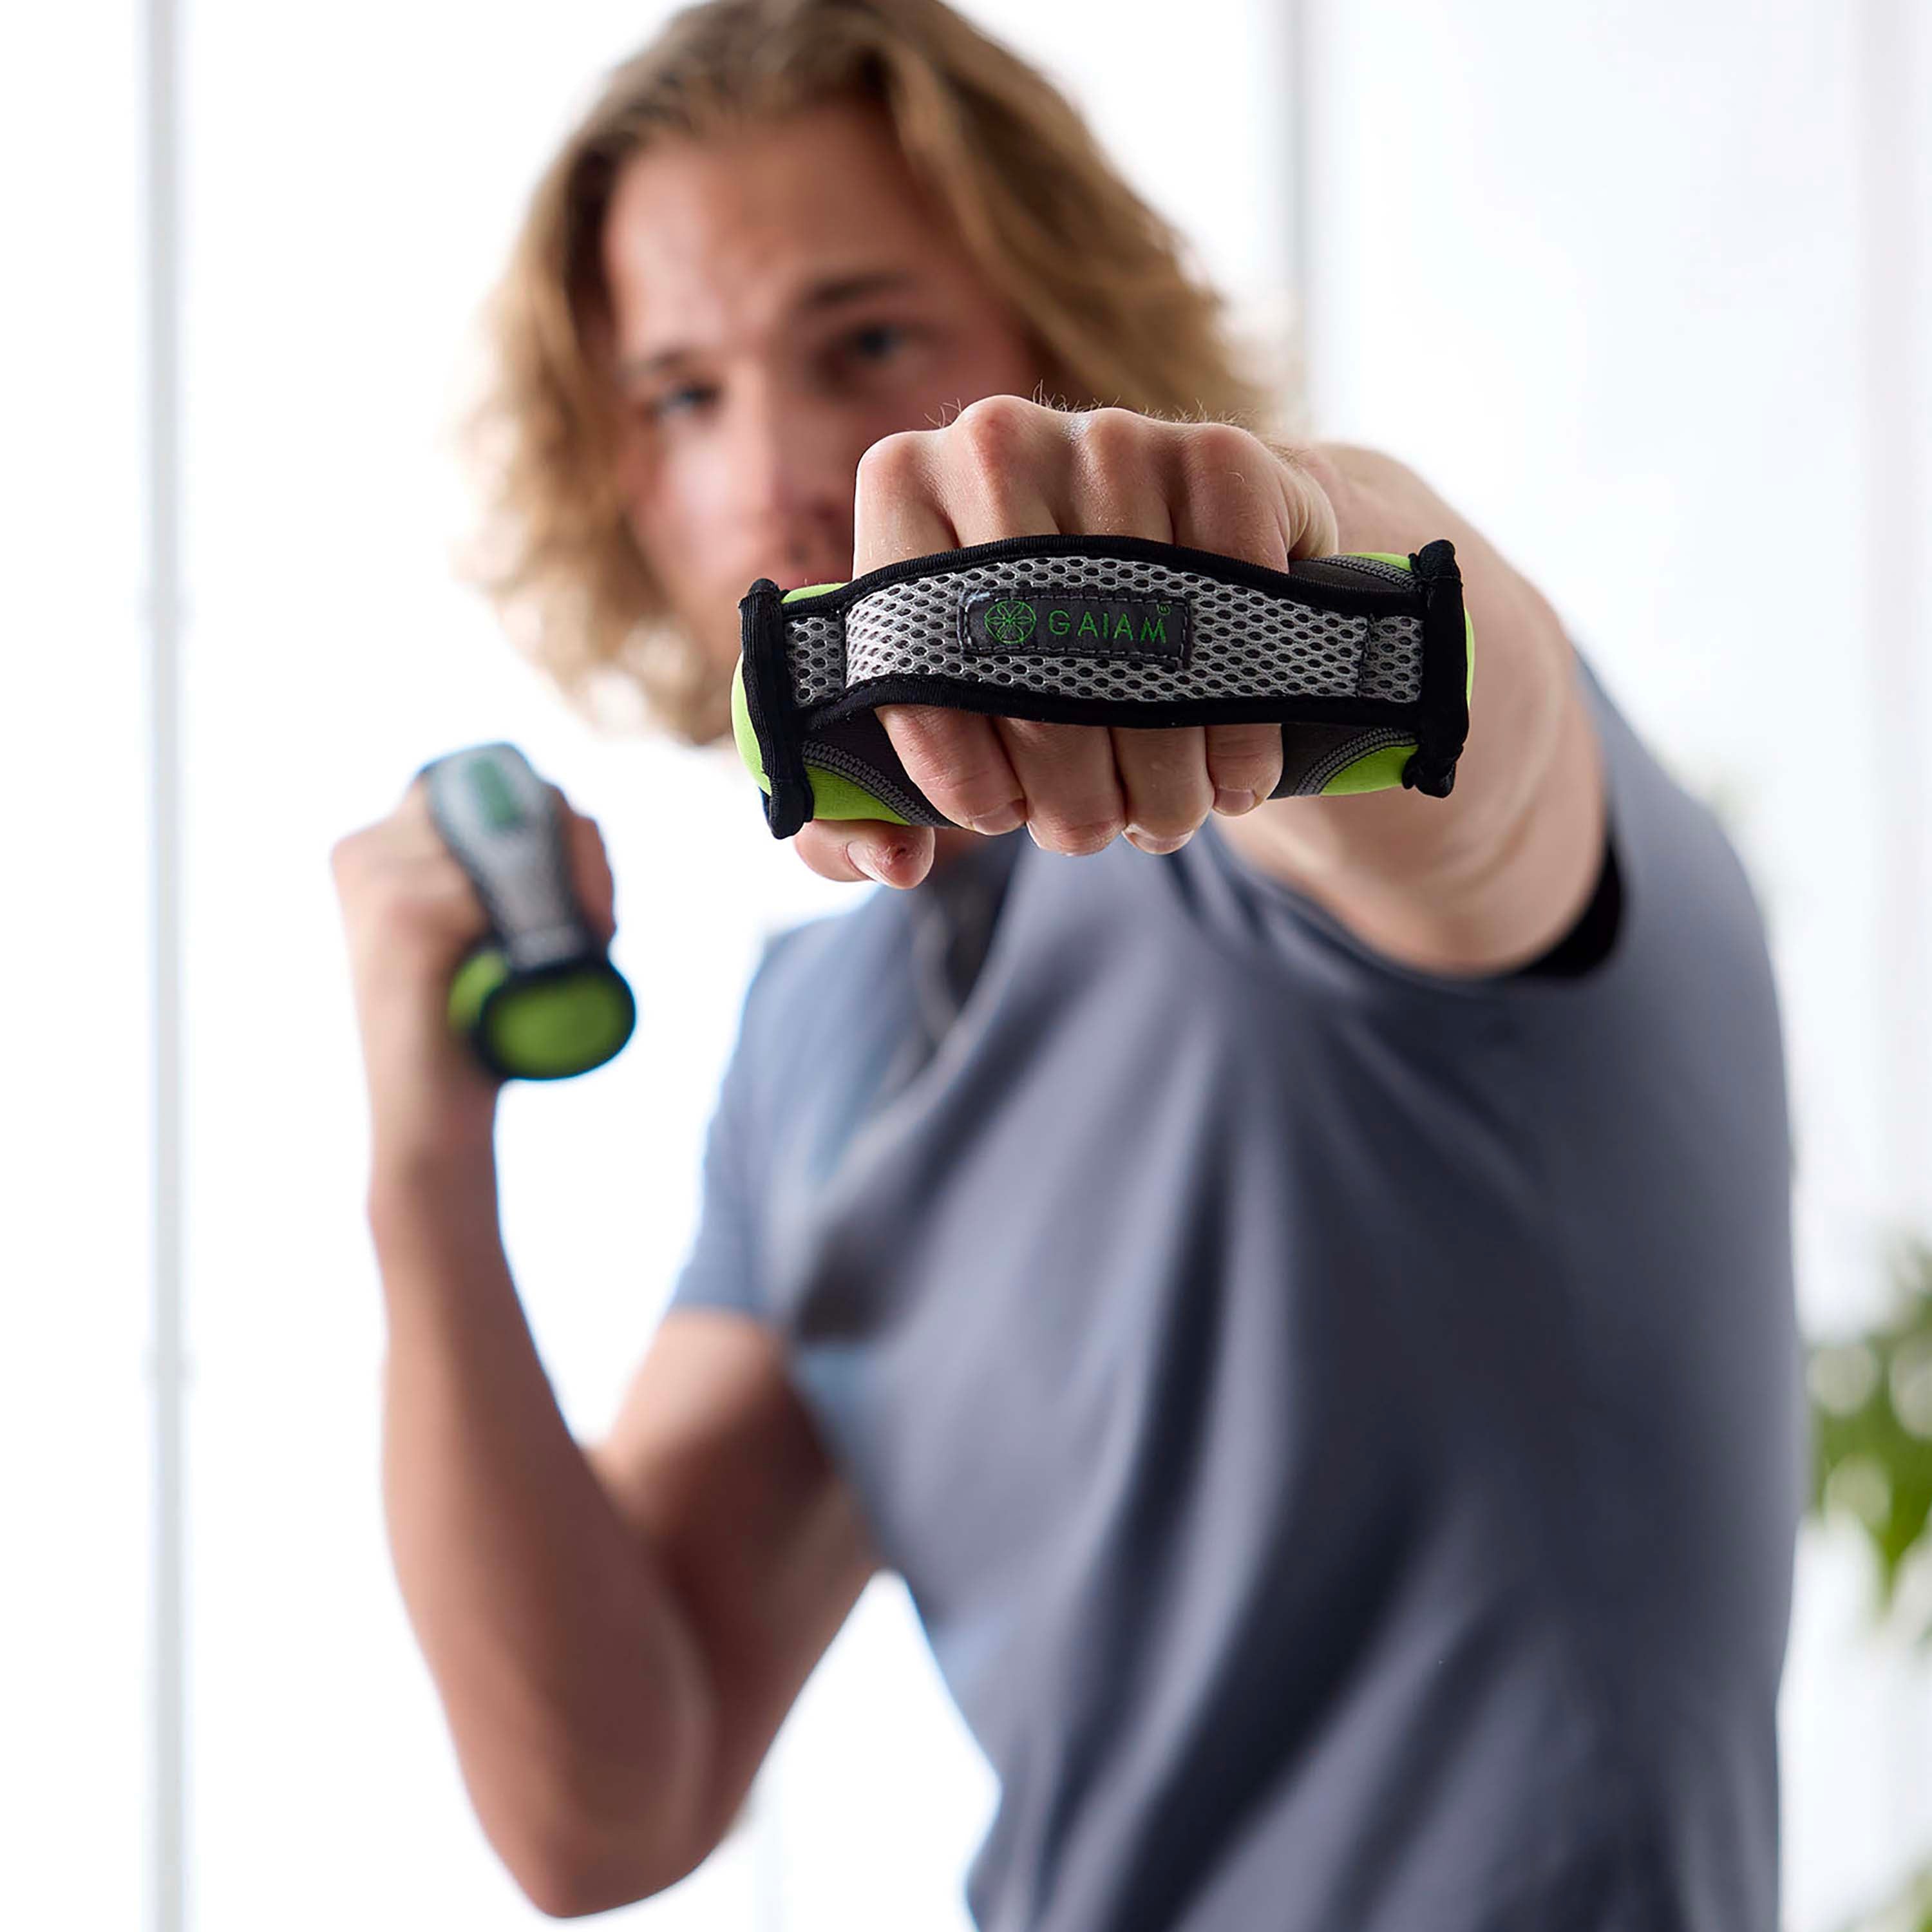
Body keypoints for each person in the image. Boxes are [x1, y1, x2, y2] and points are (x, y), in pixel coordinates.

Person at [328, 1, 1801, 1926]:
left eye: (867, 344)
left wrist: (1267, 554)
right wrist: (423, 1168)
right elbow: (604, 1802)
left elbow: (1469, 725)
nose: (773, 475)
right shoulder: (816, 1042)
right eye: (681, 396)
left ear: (1064, 339)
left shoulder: (1317, 828)